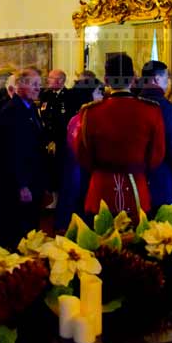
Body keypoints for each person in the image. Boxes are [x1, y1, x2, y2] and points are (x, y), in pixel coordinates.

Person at [75, 53, 165, 224]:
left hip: (100, 192)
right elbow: (156, 157)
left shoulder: (90, 112)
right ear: (133, 79)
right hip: (137, 191)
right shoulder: (151, 111)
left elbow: (83, 155)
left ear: (106, 79)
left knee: (98, 247)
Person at [0, 68, 48, 250]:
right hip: (17, 183)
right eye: (34, 84)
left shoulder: (31, 107)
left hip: (33, 177)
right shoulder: (11, 111)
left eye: (39, 85)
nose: (38, 88)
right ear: (20, 86)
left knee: (31, 228)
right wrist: (22, 185)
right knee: (15, 232)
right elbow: (11, 152)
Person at [139, 60, 172, 213]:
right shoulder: (164, 107)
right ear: (156, 79)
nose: (167, 82)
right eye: (165, 78)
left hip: (137, 180)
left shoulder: (135, 104)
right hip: (162, 178)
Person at [54, 76, 105, 232]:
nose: (102, 97)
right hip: (82, 176)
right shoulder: (83, 120)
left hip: (77, 174)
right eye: (99, 93)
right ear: (88, 95)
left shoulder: (78, 118)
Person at [39, 69, 76, 208]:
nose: (48, 80)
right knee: (51, 170)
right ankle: (55, 199)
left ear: (60, 80)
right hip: (48, 140)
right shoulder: (46, 95)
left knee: (62, 170)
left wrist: (57, 139)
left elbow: (69, 120)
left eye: (51, 78)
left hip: (63, 140)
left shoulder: (70, 96)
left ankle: (65, 199)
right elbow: (44, 115)